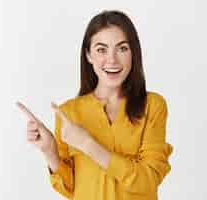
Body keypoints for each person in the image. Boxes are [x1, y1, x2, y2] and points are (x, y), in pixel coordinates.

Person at [17, 10, 173, 200]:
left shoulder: (153, 106)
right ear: (88, 55)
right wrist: (50, 151)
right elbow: (71, 188)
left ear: (134, 53)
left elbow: (147, 180)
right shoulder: (69, 112)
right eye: (101, 49)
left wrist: (88, 145)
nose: (112, 59)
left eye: (122, 48)